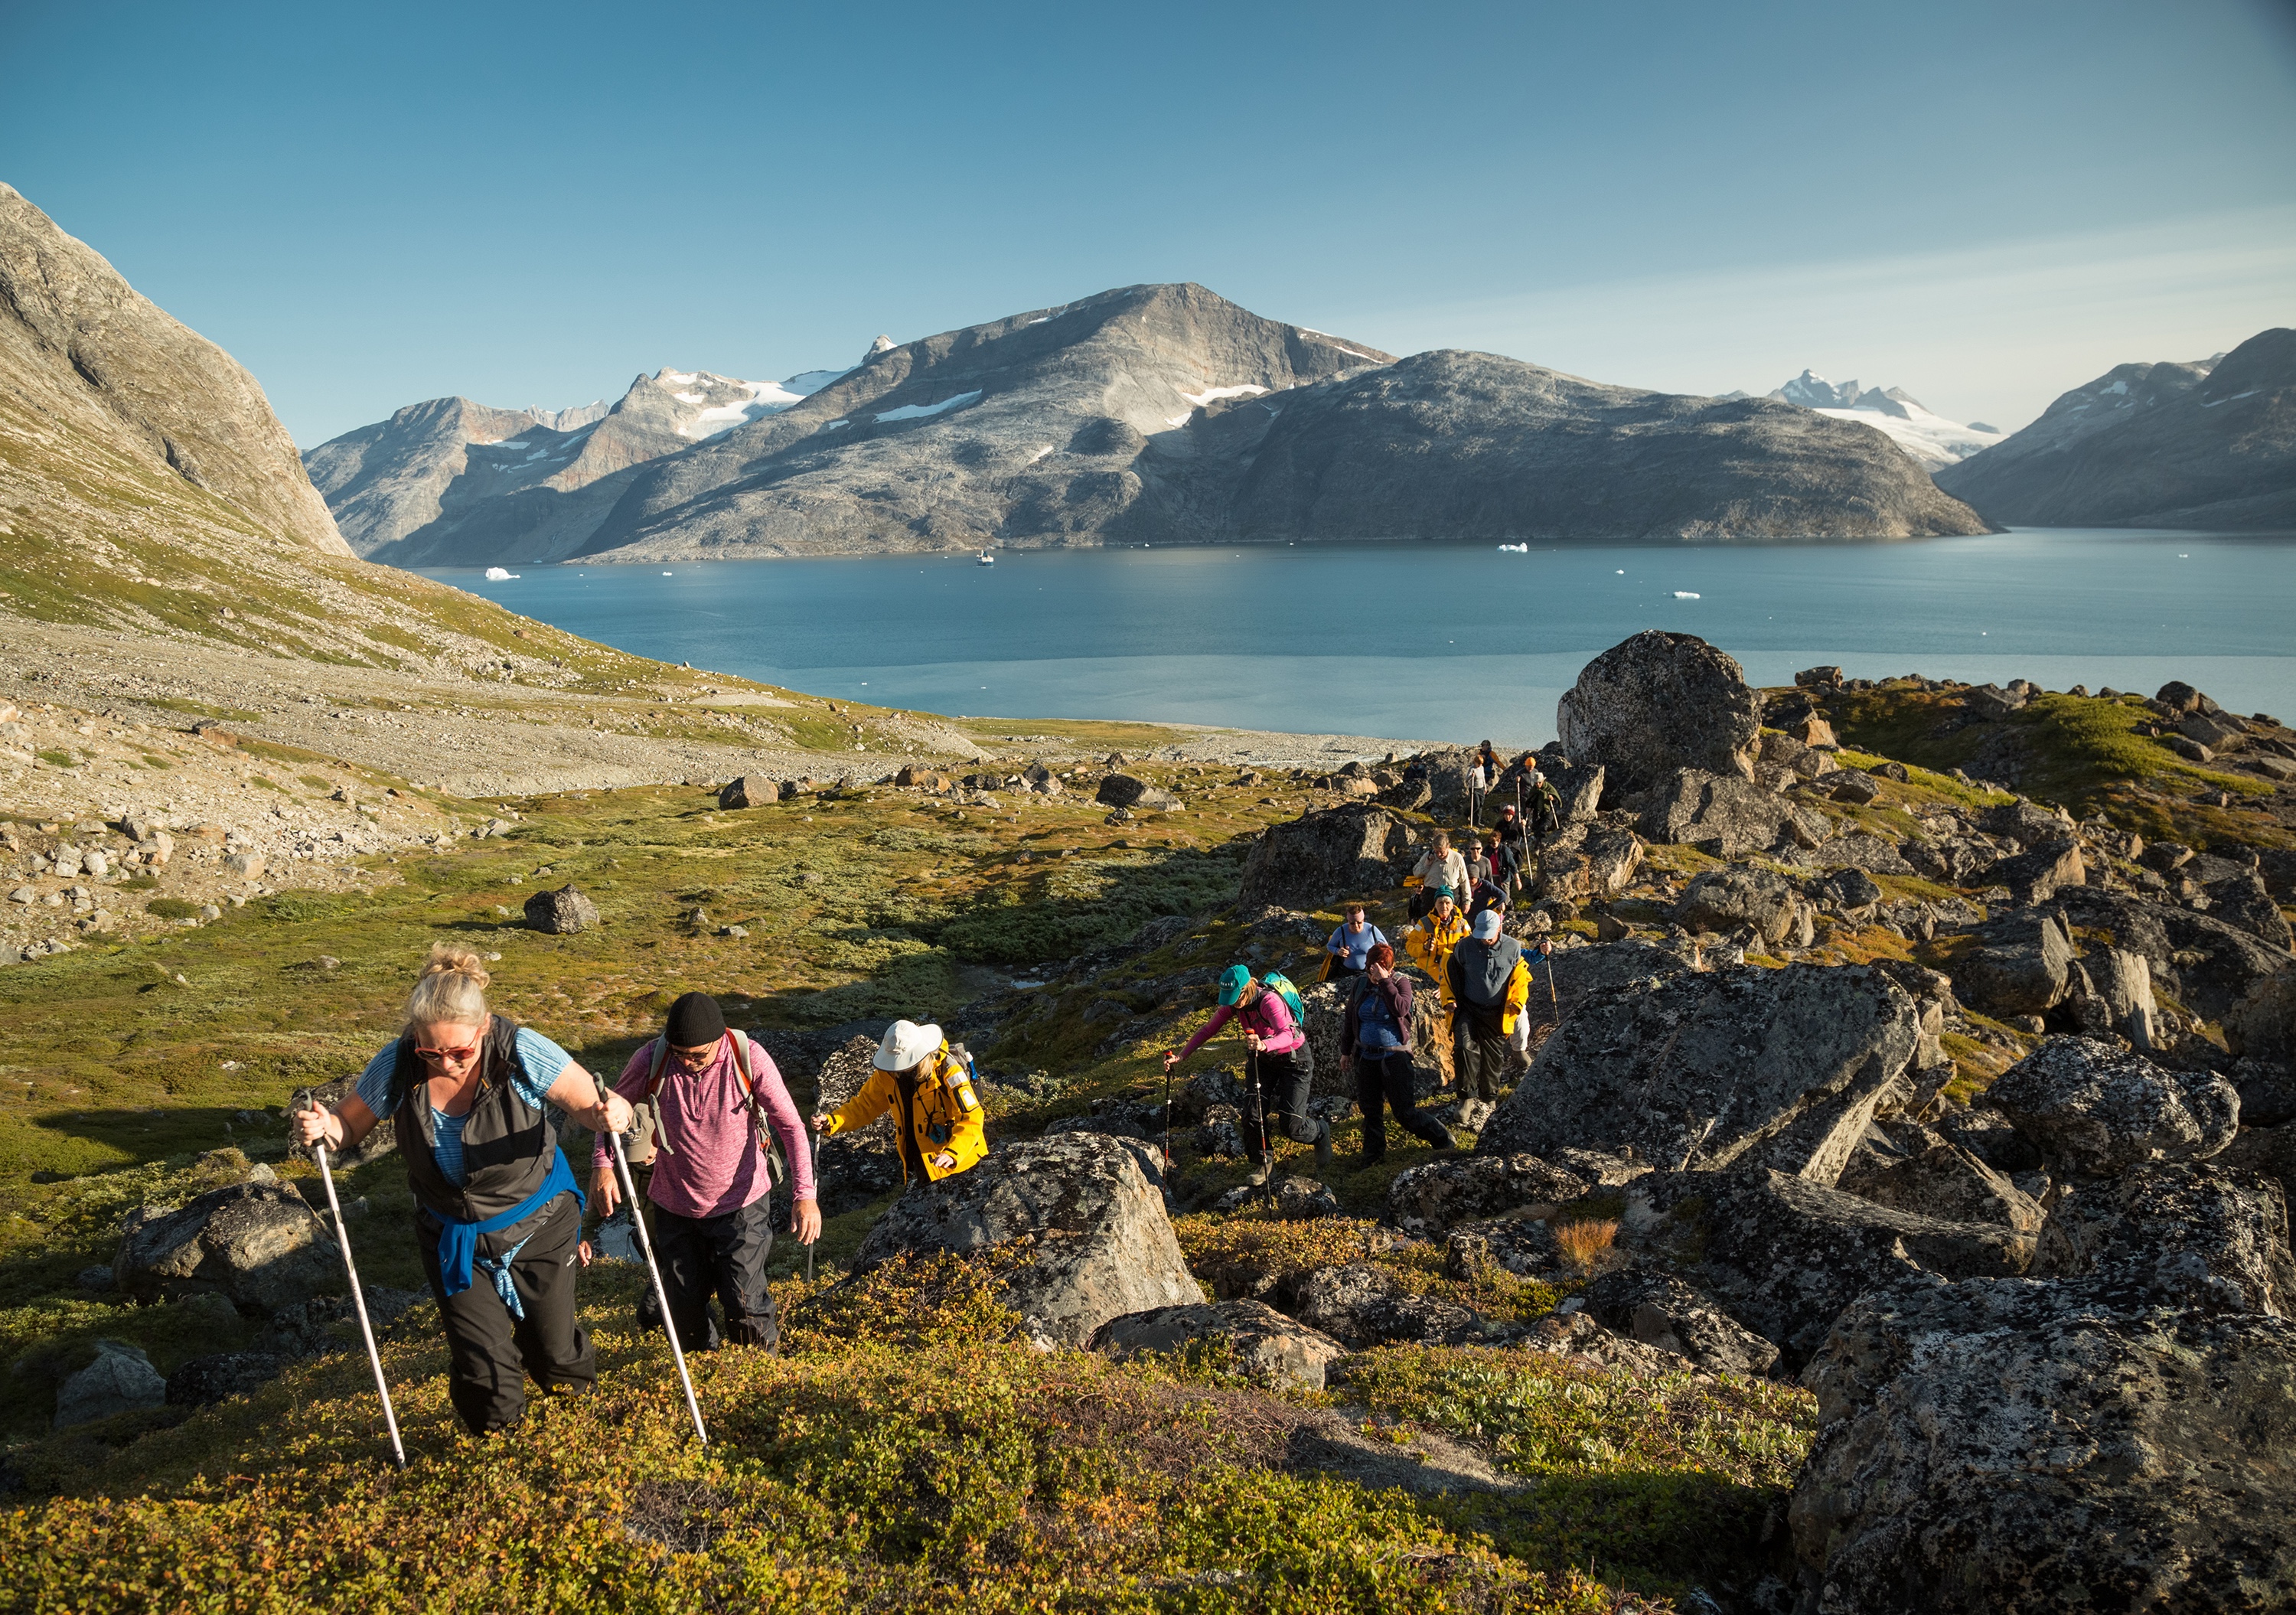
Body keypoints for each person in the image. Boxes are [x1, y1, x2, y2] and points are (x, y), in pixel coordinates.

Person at [291, 945, 625, 1435]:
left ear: (484, 1028)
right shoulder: (399, 1064)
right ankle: (496, 1459)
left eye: (461, 1052)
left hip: (540, 1223)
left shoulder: (520, 1051)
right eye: (431, 1052)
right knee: (486, 1373)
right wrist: (324, 1128)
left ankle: (585, 1439)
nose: (446, 1063)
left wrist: (608, 1113)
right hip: (455, 1241)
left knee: (555, 1357)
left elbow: (587, 1105)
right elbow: (347, 1128)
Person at [592, 993, 819, 1353]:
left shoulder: (748, 1057)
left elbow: (790, 1125)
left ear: (720, 1037)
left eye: (698, 1054)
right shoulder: (653, 1058)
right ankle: (704, 1373)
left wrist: (805, 1195)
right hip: (673, 1206)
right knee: (684, 1308)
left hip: (742, 1203)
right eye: (680, 1052)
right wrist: (603, 1167)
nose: (688, 1062)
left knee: (745, 1302)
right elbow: (610, 1114)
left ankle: (761, 1376)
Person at [1163, 965, 1329, 1181]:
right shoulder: (1234, 1005)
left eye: (1235, 997)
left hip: (1294, 1059)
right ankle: (1265, 1164)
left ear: (1246, 988)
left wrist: (1264, 1044)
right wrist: (1182, 1056)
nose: (1233, 1003)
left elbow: (1288, 1034)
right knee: (1252, 1114)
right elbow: (1208, 1029)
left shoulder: (1270, 1001)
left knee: (1292, 1126)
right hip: (1262, 1059)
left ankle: (1320, 1132)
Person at [814, 1020, 987, 1191]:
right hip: (923, 1165)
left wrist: (953, 1152)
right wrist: (833, 1120)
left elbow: (971, 1116)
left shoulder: (948, 1070)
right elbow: (865, 1105)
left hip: (962, 1166)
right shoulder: (887, 1074)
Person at [1341, 943, 1454, 1163]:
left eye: (1376, 970)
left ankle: (1441, 1138)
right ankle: (1373, 1157)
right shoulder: (1359, 985)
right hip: (1366, 1057)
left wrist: (1385, 982)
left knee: (1404, 1112)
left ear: (1388, 968)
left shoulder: (1401, 983)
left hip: (1395, 1058)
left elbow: (1401, 1009)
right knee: (1370, 1111)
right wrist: (1346, 1052)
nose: (1371, 974)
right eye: (1369, 969)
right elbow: (1349, 1019)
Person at [1446, 909, 1531, 1106]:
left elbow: (1521, 979)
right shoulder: (1464, 947)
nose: (1484, 940)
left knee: (1493, 1058)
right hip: (1468, 1008)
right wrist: (1449, 999)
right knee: (1463, 1048)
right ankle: (1466, 1098)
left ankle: (1489, 1098)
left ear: (1499, 928)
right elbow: (1449, 976)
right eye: (1481, 936)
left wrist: (1517, 1002)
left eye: (1489, 936)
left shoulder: (1513, 947)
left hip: (1496, 1013)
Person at [1404, 892, 1470, 1006]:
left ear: (1453, 904)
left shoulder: (1462, 924)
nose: (1444, 907)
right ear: (1435, 904)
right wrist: (1424, 947)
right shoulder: (1424, 923)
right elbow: (1410, 946)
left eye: (1447, 903)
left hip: (1454, 974)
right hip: (1427, 976)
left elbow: (1471, 951)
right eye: (1440, 903)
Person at [1407, 833, 1469, 922]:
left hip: (1452, 896)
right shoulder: (1428, 856)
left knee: (1453, 923)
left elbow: (1464, 881)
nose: (1439, 855)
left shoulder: (1457, 858)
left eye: (1442, 852)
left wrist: (1466, 901)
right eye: (1436, 852)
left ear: (1448, 846)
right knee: (1428, 923)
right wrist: (1426, 865)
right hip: (1431, 895)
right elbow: (1416, 873)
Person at [1322, 903, 1388, 980]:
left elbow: (1386, 949)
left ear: (1363, 920)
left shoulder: (1372, 930)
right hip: (1346, 974)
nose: (1356, 926)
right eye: (1352, 923)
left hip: (1368, 973)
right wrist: (1338, 951)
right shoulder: (1341, 931)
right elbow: (1330, 946)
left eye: (1359, 922)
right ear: (1348, 921)